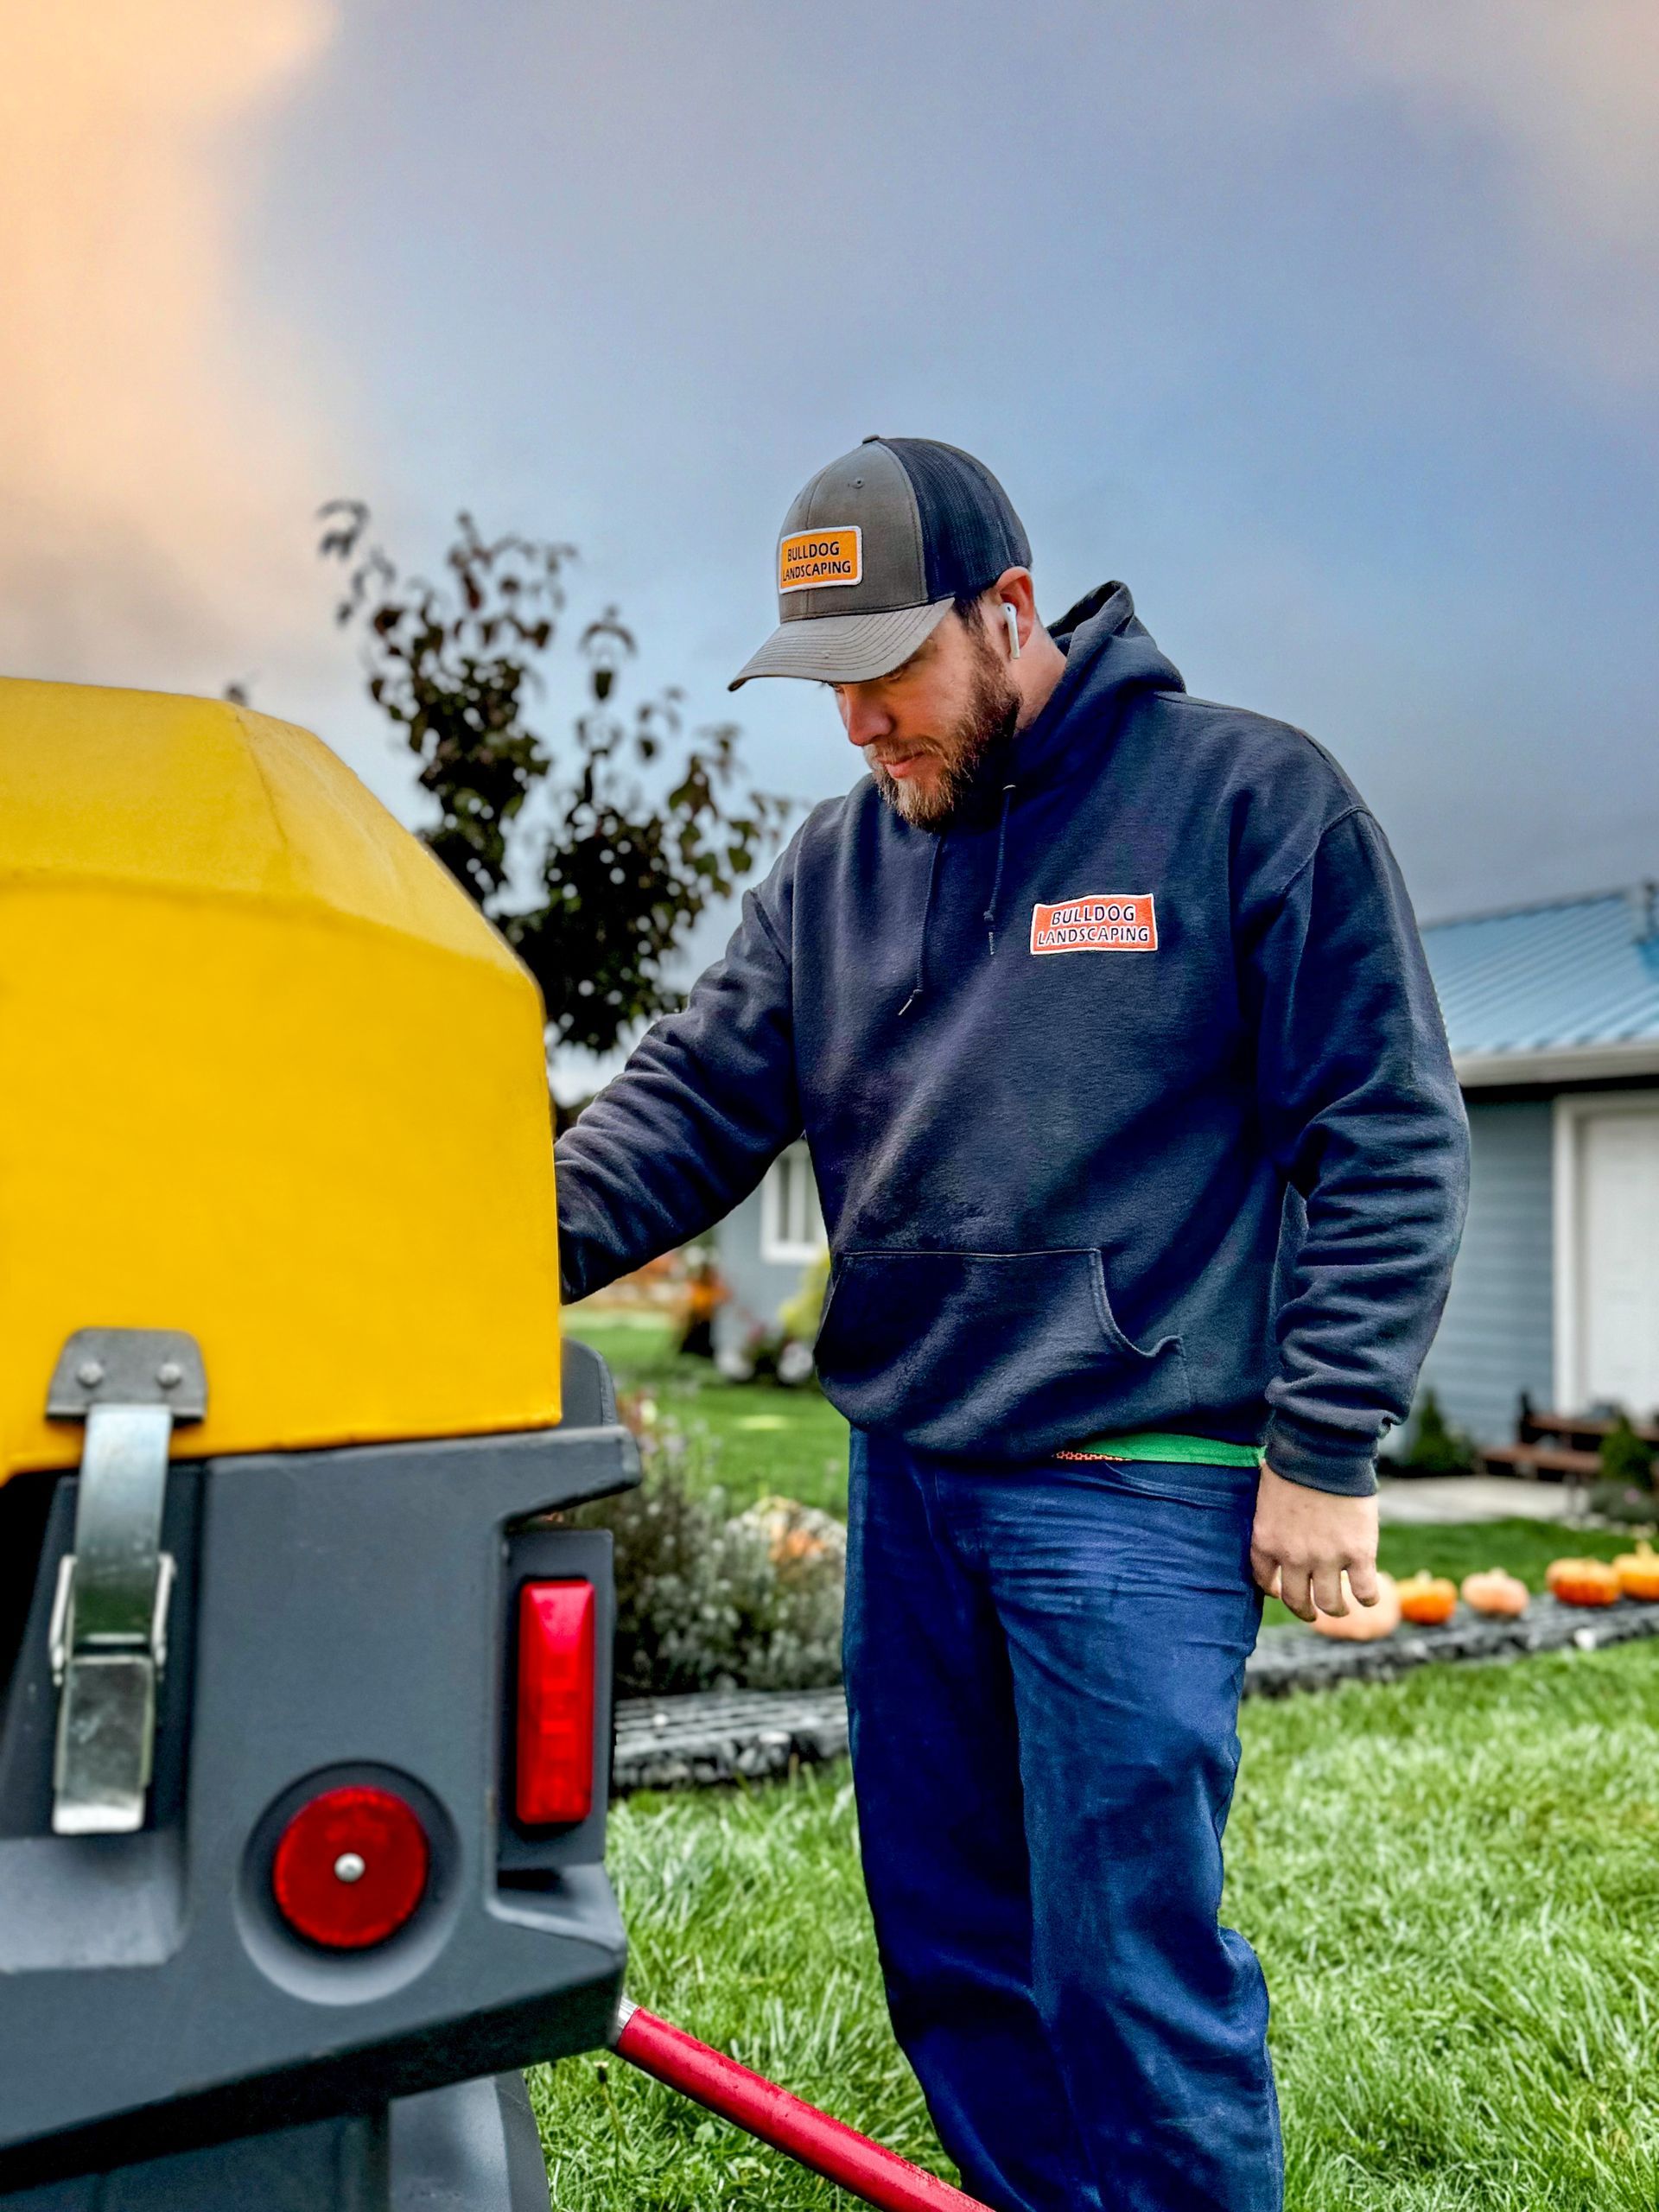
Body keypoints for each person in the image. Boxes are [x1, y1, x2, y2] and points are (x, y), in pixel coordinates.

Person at [553, 437, 1470, 2212]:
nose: (858, 725)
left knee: (1124, 1963)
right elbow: (678, 1110)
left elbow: (1387, 1129)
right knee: (951, 1949)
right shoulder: (835, 868)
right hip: (915, 1469)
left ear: (1010, 612)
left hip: (1135, 1478)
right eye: (829, 682)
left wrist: (1329, 1444)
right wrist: (445, 1254)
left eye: (888, 669)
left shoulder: (1245, 804)